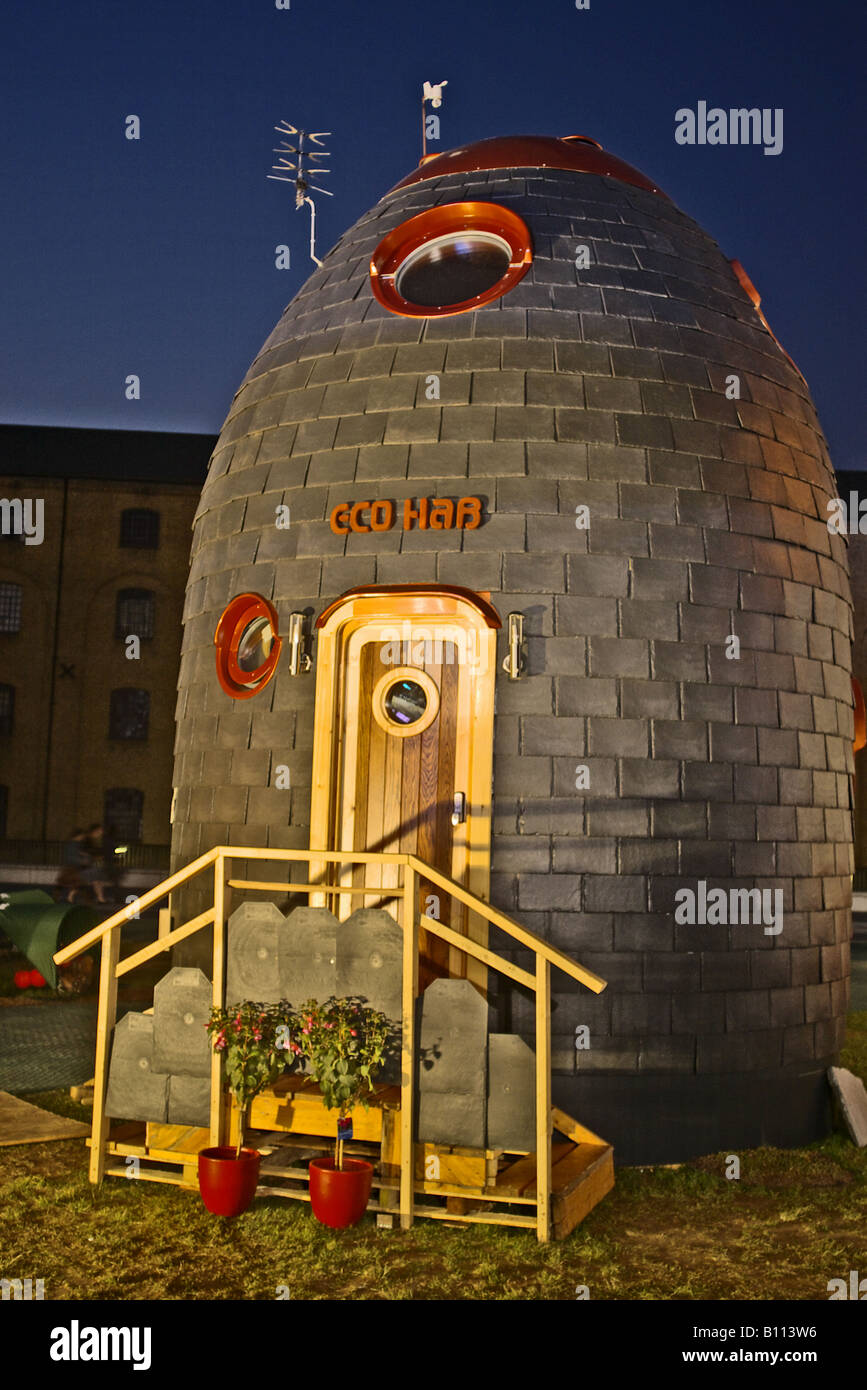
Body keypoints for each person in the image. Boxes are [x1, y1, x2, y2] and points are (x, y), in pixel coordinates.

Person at [80, 823, 110, 905]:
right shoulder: (88, 840)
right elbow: (86, 852)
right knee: (97, 880)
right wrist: (94, 857)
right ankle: (100, 898)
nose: (101, 832)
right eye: (100, 830)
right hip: (87, 865)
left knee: (97, 881)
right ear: (95, 830)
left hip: (89, 865)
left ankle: (100, 898)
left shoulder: (89, 840)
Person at [57, 829, 89, 903]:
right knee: (76, 882)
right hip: (72, 867)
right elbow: (72, 856)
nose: (82, 837)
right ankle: (69, 897)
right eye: (82, 836)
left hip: (70, 866)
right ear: (78, 836)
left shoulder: (72, 844)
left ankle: (66, 897)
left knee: (67, 882)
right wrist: (82, 861)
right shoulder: (74, 845)